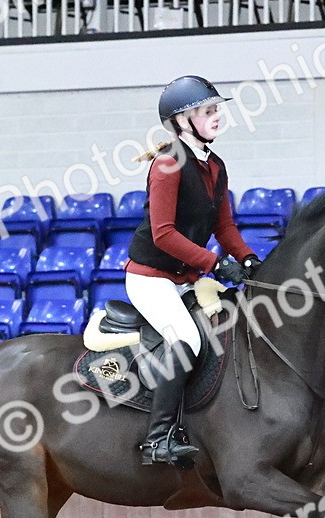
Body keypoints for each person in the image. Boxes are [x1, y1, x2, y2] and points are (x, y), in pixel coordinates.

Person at [125, 75, 263, 466]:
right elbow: (164, 234)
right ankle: (158, 440)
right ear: (182, 121)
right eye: (207, 111)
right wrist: (216, 263)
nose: (217, 116)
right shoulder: (168, 164)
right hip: (150, 278)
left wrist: (248, 259)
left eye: (216, 110)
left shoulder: (215, 165)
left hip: (185, 279)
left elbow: (224, 227)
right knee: (187, 338)